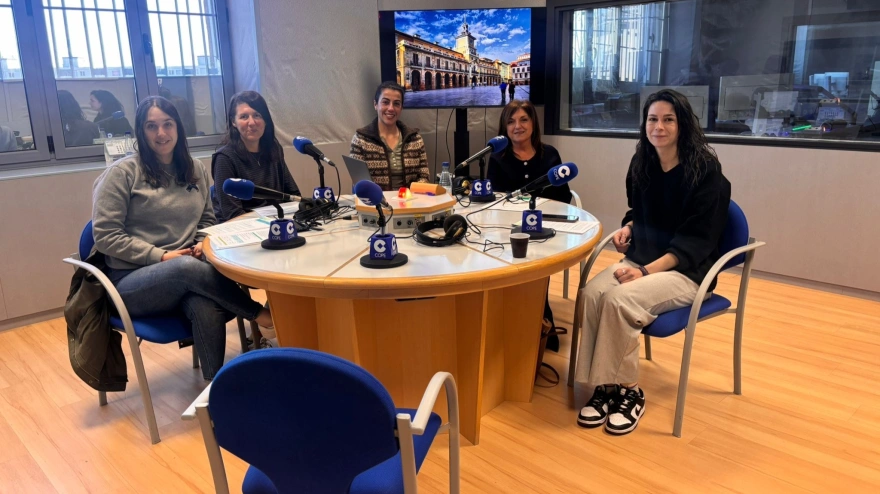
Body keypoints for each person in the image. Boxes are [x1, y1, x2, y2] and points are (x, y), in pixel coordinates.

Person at [574, 89, 730, 435]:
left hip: (688, 272)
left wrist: (644, 271)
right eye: (653, 119)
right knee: (592, 294)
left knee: (619, 300)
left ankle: (630, 391)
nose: (659, 127)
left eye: (668, 119)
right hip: (641, 258)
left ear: (682, 124)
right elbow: (639, 211)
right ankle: (605, 386)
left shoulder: (706, 171)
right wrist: (629, 227)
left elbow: (696, 241)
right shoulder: (642, 162)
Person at [92, 96, 274, 380]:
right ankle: (261, 316)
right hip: (131, 282)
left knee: (204, 305)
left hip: (189, 273)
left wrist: (201, 243)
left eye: (168, 124)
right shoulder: (122, 174)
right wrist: (162, 256)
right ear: (141, 131)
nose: (161, 133)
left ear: (178, 127)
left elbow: (207, 221)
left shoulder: (195, 169)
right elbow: (106, 236)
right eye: (151, 126)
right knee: (185, 268)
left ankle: (216, 389)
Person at [212, 90, 300, 222]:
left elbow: (293, 195)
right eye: (244, 117)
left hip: (277, 221)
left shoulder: (274, 149)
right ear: (233, 122)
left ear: (265, 120)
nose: (252, 122)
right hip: (243, 226)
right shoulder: (225, 158)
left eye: (257, 115)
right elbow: (232, 214)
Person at [350, 81, 430, 191]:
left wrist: (408, 196)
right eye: (385, 102)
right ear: (375, 104)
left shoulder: (415, 139)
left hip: (410, 200)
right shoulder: (360, 140)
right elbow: (359, 183)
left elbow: (424, 177)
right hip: (376, 201)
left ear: (401, 108)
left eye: (396, 104)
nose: (391, 108)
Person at [488, 99, 572, 204]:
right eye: (510, 122)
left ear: (533, 123)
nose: (518, 126)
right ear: (505, 127)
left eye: (524, 120)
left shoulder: (550, 154)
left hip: (547, 213)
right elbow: (494, 200)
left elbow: (563, 196)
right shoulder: (497, 157)